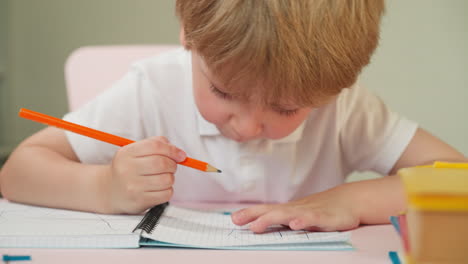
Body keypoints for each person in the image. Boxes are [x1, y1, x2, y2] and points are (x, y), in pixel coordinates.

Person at [0, 0, 466, 233]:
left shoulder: (344, 109)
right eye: (223, 91)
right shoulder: (150, 90)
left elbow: (458, 180)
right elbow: (18, 172)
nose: (245, 126)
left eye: (285, 108)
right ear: (189, 35)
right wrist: (105, 188)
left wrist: (353, 202)